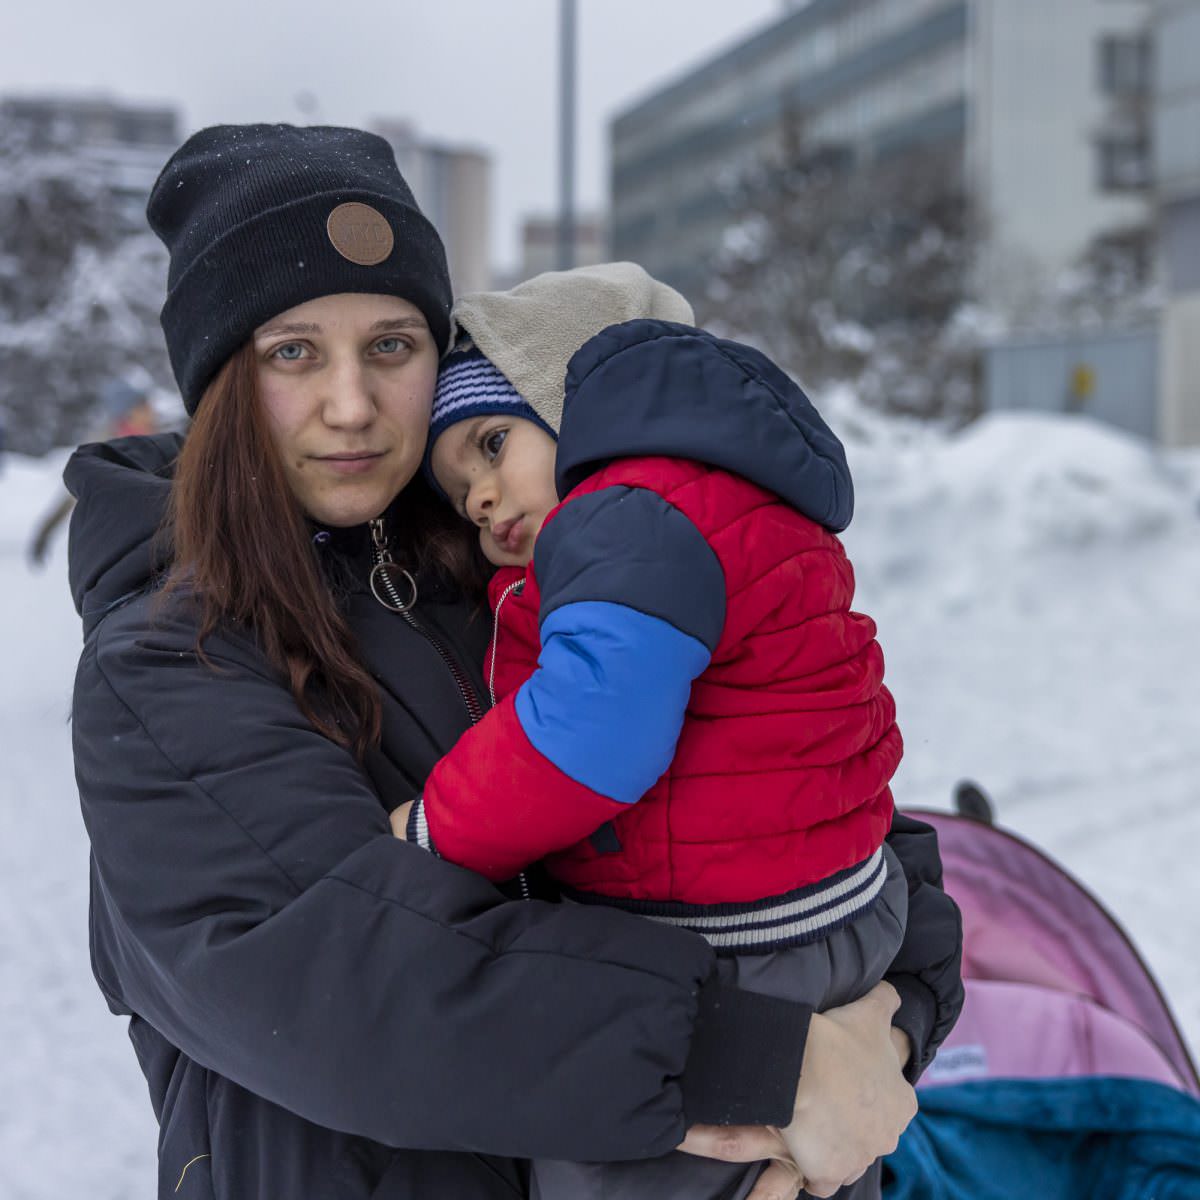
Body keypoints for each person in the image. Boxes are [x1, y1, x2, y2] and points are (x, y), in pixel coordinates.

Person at [65, 124, 961, 1200]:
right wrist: (771, 1066)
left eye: (392, 346)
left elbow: (814, 788)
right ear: (219, 384)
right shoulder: (167, 654)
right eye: (292, 352)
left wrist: (889, 1030)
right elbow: (350, 987)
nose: (351, 405)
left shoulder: (513, 562)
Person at [401, 263, 928, 1200]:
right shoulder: (738, 501)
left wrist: (432, 830)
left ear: (573, 397)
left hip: (734, 947)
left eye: (491, 443)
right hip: (840, 914)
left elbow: (586, 738)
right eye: (456, 490)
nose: (480, 497)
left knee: (612, 1165)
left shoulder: (627, 517)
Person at [28, 377, 158, 566]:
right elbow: (69, 498)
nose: (151, 412)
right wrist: (43, 536)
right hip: (123, 551)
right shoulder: (102, 449)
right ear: (127, 414)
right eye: (143, 407)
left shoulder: (161, 438)